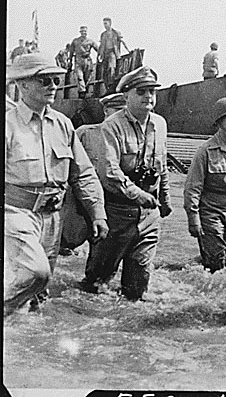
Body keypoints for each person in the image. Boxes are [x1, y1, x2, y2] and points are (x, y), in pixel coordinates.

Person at [4, 53, 108, 316]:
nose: (53, 86)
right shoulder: (8, 125)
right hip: (16, 213)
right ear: (23, 85)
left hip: (52, 217)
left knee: (40, 290)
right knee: (36, 272)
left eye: (55, 80)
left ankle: (24, 332)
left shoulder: (63, 124)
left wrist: (97, 212)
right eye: (44, 80)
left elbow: (83, 174)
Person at [80, 66, 172, 301]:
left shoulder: (160, 124)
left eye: (152, 91)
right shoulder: (112, 126)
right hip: (117, 213)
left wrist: (165, 198)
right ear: (126, 96)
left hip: (149, 215)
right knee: (97, 283)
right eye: (141, 92)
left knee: (137, 286)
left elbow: (161, 165)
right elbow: (109, 173)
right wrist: (138, 195)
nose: (148, 97)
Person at [184, 97, 226, 272]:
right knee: (215, 262)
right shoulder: (205, 151)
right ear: (219, 122)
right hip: (211, 213)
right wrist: (193, 219)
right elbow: (193, 188)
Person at [59, 93, 127, 257]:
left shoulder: (130, 138)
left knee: (105, 251)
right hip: (85, 201)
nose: (121, 117)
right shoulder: (85, 133)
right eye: (117, 111)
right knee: (71, 241)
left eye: (125, 112)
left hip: (114, 203)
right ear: (105, 111)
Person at [98, 17, 129, 90]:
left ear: (110, 23)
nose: (105, 25)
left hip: (112, 53)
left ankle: (111, 84)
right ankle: (107, 87)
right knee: (104, 72)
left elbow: (122, 41)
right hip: (105, 54)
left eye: (106, 23)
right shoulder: (103, 34)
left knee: (111, 68)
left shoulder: (115, 32)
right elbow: (101, 46)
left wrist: (128, 50)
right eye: (104, 24)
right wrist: (99, 55)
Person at [69, 25, 99, 98]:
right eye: (82, 32)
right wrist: (70, 61)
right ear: (80, 32)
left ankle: (85, 91)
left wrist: (101, 56)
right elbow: (71, 51)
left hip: (87, 60)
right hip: (79, 60)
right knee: (79, 76)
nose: (84, 33)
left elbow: (98, 49)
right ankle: (82, 91)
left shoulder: (90, 41)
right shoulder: (75, 41)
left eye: (85, 31)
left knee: (88, 77)